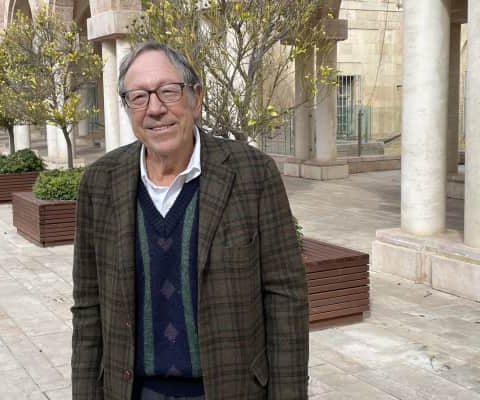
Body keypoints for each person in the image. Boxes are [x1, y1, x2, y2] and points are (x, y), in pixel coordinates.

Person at [71, 40, 309, 400]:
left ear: (195, 98)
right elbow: (88, 307)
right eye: (139, 97)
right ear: (128, 108)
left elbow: (285, 298)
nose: (155, 109)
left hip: (231, 390)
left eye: (168, 91)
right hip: (135, 391)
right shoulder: (100, 183)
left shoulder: (252, 173)